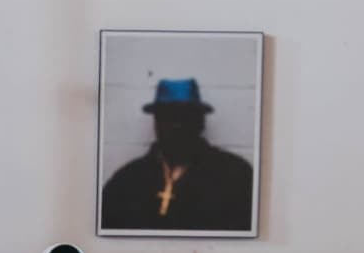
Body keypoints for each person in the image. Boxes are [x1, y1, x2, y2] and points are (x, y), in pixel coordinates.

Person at [100, 76, 256, 235]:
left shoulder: (236, 176)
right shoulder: (126, 181)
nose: (176, 126)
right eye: (167, 117)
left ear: (201, 122)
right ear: (156, 123)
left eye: (185, 116)